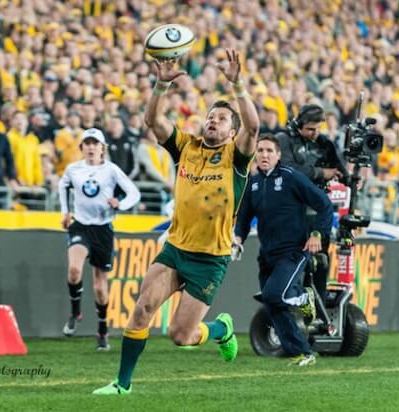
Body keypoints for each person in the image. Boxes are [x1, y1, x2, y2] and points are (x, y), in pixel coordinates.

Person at [94, 49, 259, 395]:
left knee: (181, 336)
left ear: (232, 133)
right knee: (142, 309)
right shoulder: (187, 146)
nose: (213, 121)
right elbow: (153, 122)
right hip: (175, 249)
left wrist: (238, 85)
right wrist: (160, 86)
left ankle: (220, 330)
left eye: (222, 120)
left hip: (209, 259)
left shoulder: (236, 158)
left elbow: (255, 125)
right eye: (211, 116)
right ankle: (122, 385)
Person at [233, 134, 333, 366]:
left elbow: (324, 204)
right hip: (267, 253)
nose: (264, 155)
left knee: (273, 295)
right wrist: (238, 238)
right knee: (274, 304)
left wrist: (318, 234)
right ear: (255, 155)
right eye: (260, 151)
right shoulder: (253, 182)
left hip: (294, 251)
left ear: (278, 156)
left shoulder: (291, 178)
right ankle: (302, 352)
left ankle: (304, 297)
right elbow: (244, 217)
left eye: (269, 151)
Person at [58, 127, 140, 351]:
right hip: (81, 225)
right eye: (88, 143)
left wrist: (120, 204)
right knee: (74, 271)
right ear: (82, 148)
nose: (91, 147)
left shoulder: (111, 170)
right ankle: (76, 312)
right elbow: (62, 185)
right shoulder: (73, 169)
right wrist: (65, 212)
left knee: (100, 287)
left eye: (96, 144)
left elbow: (134, 193)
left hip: (103, 229)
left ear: (102, 148)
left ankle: (102, 329)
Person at [276, 104, 348, 303]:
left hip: (318, 212)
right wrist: (320, 173)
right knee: (295, 262)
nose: (315, 133)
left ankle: (318, 306)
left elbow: (342, 172)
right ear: (299, 125)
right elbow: (288, 169)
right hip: (291, 211)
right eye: (310, 129)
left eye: (318, 128)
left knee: (321, 262)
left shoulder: (325, 144)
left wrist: (350, 172)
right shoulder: (284, 140)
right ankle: (290, 303)